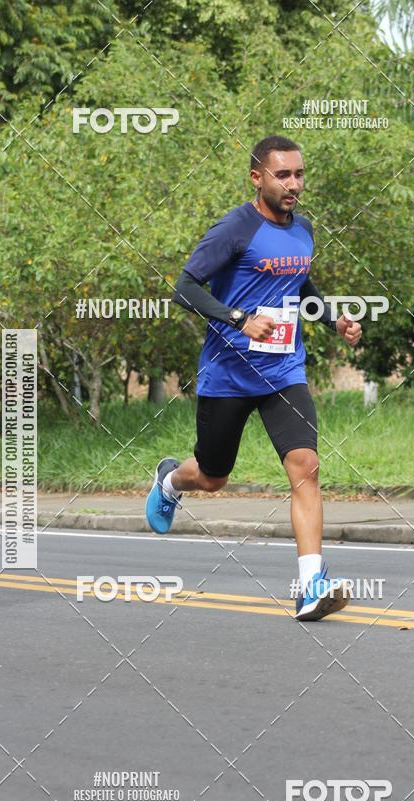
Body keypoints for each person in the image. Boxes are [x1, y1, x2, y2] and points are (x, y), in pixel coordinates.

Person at [145, 135, 362, 621]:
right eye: (283, 175)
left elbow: (300, 283)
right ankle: (171, 481)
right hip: (229, 374)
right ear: (257, 177)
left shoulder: (303, 229)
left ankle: (311, 586)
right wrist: (239, 319)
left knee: (305, 464)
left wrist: (334, 320)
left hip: (284, 370)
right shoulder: (234, 228)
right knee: (213, 476)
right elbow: (184, 288)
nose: (294, 184)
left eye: (299, 174)